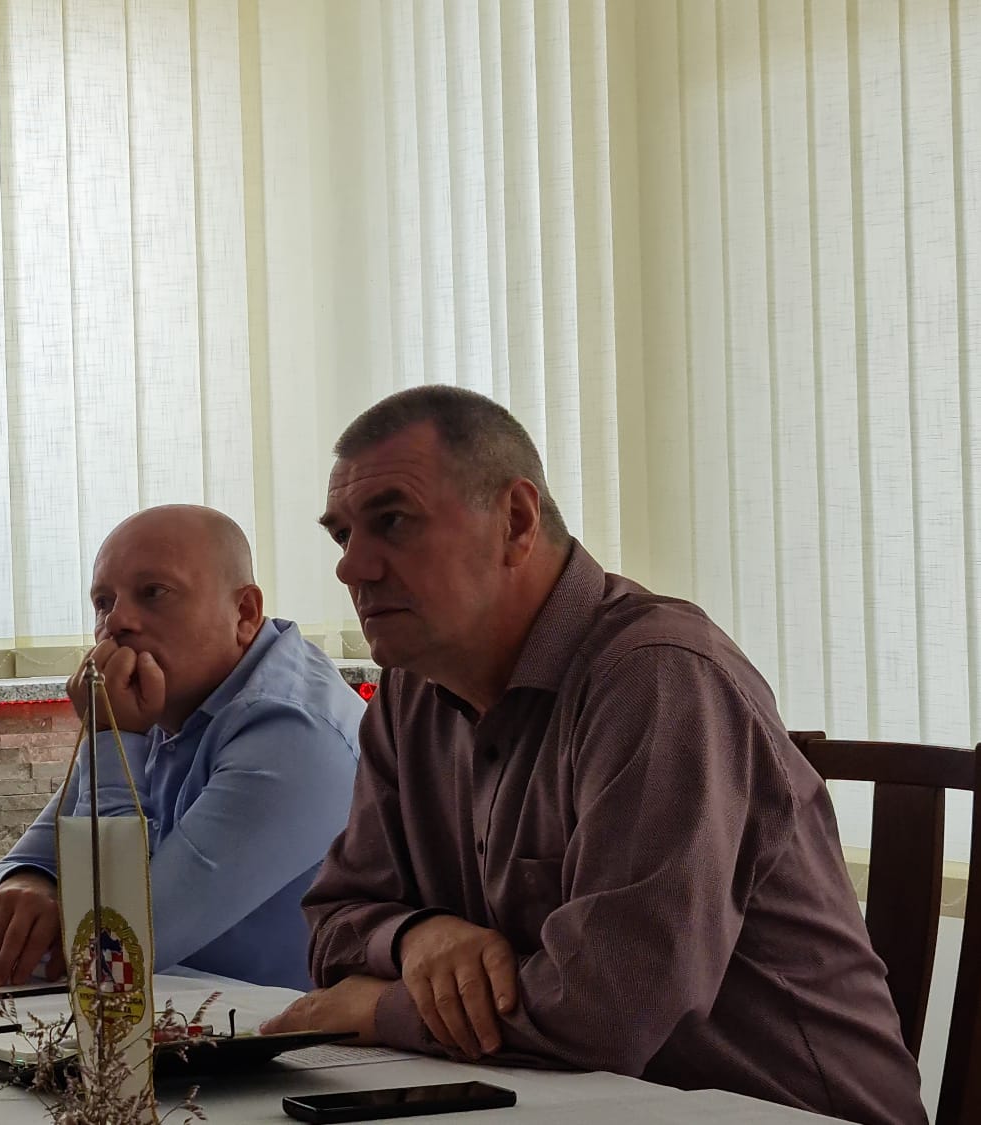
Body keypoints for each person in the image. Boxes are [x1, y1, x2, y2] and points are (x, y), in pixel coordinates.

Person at [263, 387, 924, 1124]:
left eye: (392, 521)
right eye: (342, 536)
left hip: (779, 1111)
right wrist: (419, 937)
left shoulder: (659, 676)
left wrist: (375, 1010)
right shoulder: (409, 691)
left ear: (516, 520)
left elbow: (608, 1014)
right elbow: (332, 924)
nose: (352, 568)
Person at [0, 504, 363, 990]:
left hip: (297, 1034)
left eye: (154, 593)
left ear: (244, 613)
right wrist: (26, 882)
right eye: (103, 602)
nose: (117, 622)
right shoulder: (158, 704)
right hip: (180, 1020)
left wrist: (113, 739)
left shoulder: (296, 734)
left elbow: (114, 956)